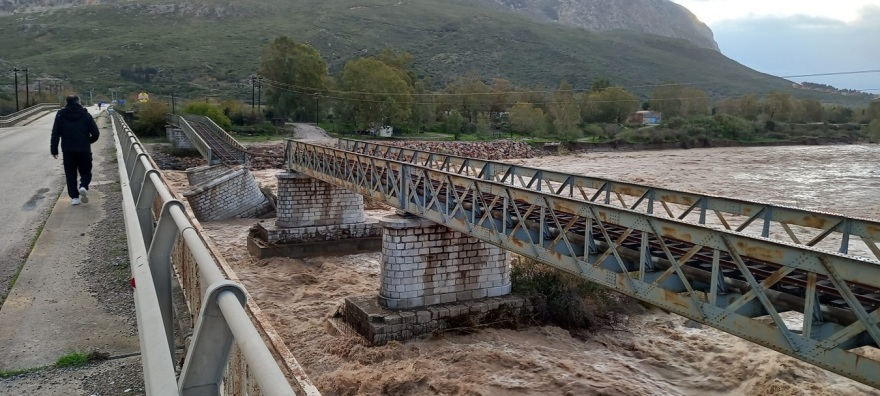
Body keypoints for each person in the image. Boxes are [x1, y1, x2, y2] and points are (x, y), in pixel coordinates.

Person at [50, 94, 100, 205]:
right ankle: (83, 186)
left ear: (66, 102)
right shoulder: (85, 115)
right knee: (86, 171)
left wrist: (54, 149)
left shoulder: (60, 115)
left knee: (70, 174)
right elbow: (96, 133)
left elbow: (55, 133)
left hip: (68, 151)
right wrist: (88, 141)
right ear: (78, 101)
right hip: (84, 149)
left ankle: (74, 198)